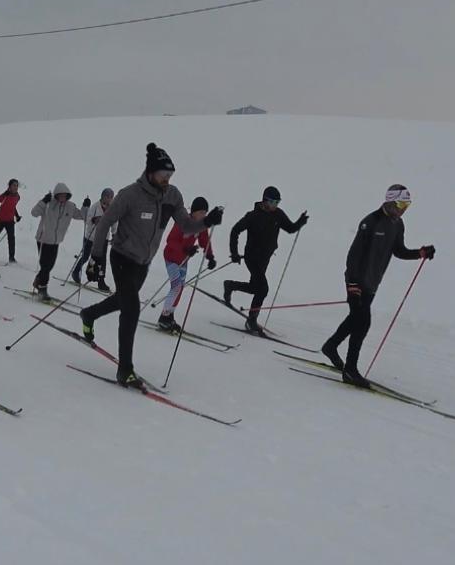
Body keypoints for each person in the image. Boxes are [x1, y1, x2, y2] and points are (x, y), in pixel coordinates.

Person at [81, 143, 223, 389]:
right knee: (132, 308)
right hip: (122, 257)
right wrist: (96, 257)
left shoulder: (173, 196)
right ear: (150, 172)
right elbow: (105, 223)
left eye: (170, 176)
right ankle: (125, 369)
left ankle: (89, 314)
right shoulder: (130, 195)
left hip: (143, 262)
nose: (166, 180)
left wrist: (207, 222)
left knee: (122, 300)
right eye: (162, 175)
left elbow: (187, 226)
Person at [322, 185, 434, 388]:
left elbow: (399, 251)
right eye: (401, 204)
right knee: (362, 323)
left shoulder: (398, 224)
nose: (404, 209)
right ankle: (350, 370)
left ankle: (330, 347)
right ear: (390, 202)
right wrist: (353, 285)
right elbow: (353, 255)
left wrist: (420, 253)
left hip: (373, 282)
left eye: (407, 205)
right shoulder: (370, 222)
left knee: (355, 319)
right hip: (356, 281)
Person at [223, 186, 308, 333]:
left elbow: (290, 228)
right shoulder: (253, 216)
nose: (275, 206)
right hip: (252, 257)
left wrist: (300, 221)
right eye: (273, 202)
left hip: (265, 258)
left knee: (256, 287)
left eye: (277, 202)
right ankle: (251, 321)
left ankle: (230, 285)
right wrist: (234, 253)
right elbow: (235, 231)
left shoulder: (278, 214)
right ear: (265, 201)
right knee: (263, 289)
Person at [157, 197, 217, 331]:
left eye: (205, 213)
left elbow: (204, 241)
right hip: (171, 258)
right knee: (176, 286)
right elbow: (170, 241)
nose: (203, 215)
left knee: (180, 288)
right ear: (194, 211)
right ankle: (163, 317)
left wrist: (210, 256)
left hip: (183, 261)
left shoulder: (201, 226)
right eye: (201, 212)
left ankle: (169, 315)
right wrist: (185, 249)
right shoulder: (182, 222)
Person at [30, 183, 86, 298]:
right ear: (56, 195)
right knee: (45, 266)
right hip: (43, 239)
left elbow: (82, 216)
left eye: (65, 196)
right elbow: (34, 213)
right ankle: (42, 289)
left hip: (55, 241)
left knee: (50, 265)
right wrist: (43, 201)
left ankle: (38, 281)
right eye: (60, 195)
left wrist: (85, 207)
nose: (62, 198)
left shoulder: (70, 207)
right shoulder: (48, 204)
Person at [70, 187, 114, 291]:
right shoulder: (95, 207)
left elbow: (114, 222)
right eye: (107, 197)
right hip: (91, 237)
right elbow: (88, 220)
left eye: (111, 197)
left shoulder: (112, 208)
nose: (109, 199)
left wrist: (115, 234)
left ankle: (101, 280)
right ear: (102, 197)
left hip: (103, 239)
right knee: (86, 256)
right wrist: (94, 220)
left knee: (102, 260)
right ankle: (76, 271)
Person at [0, 179, 23, 263]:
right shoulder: (6, 195)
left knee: (11, 238)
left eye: (16, 185)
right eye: (14, 185)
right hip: (0, 220)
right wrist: (4, 194)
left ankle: (11, 258)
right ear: (9, 186)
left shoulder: (17, 197)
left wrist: (17, 215)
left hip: (10, 221)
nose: (15, 187)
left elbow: (13, 207)